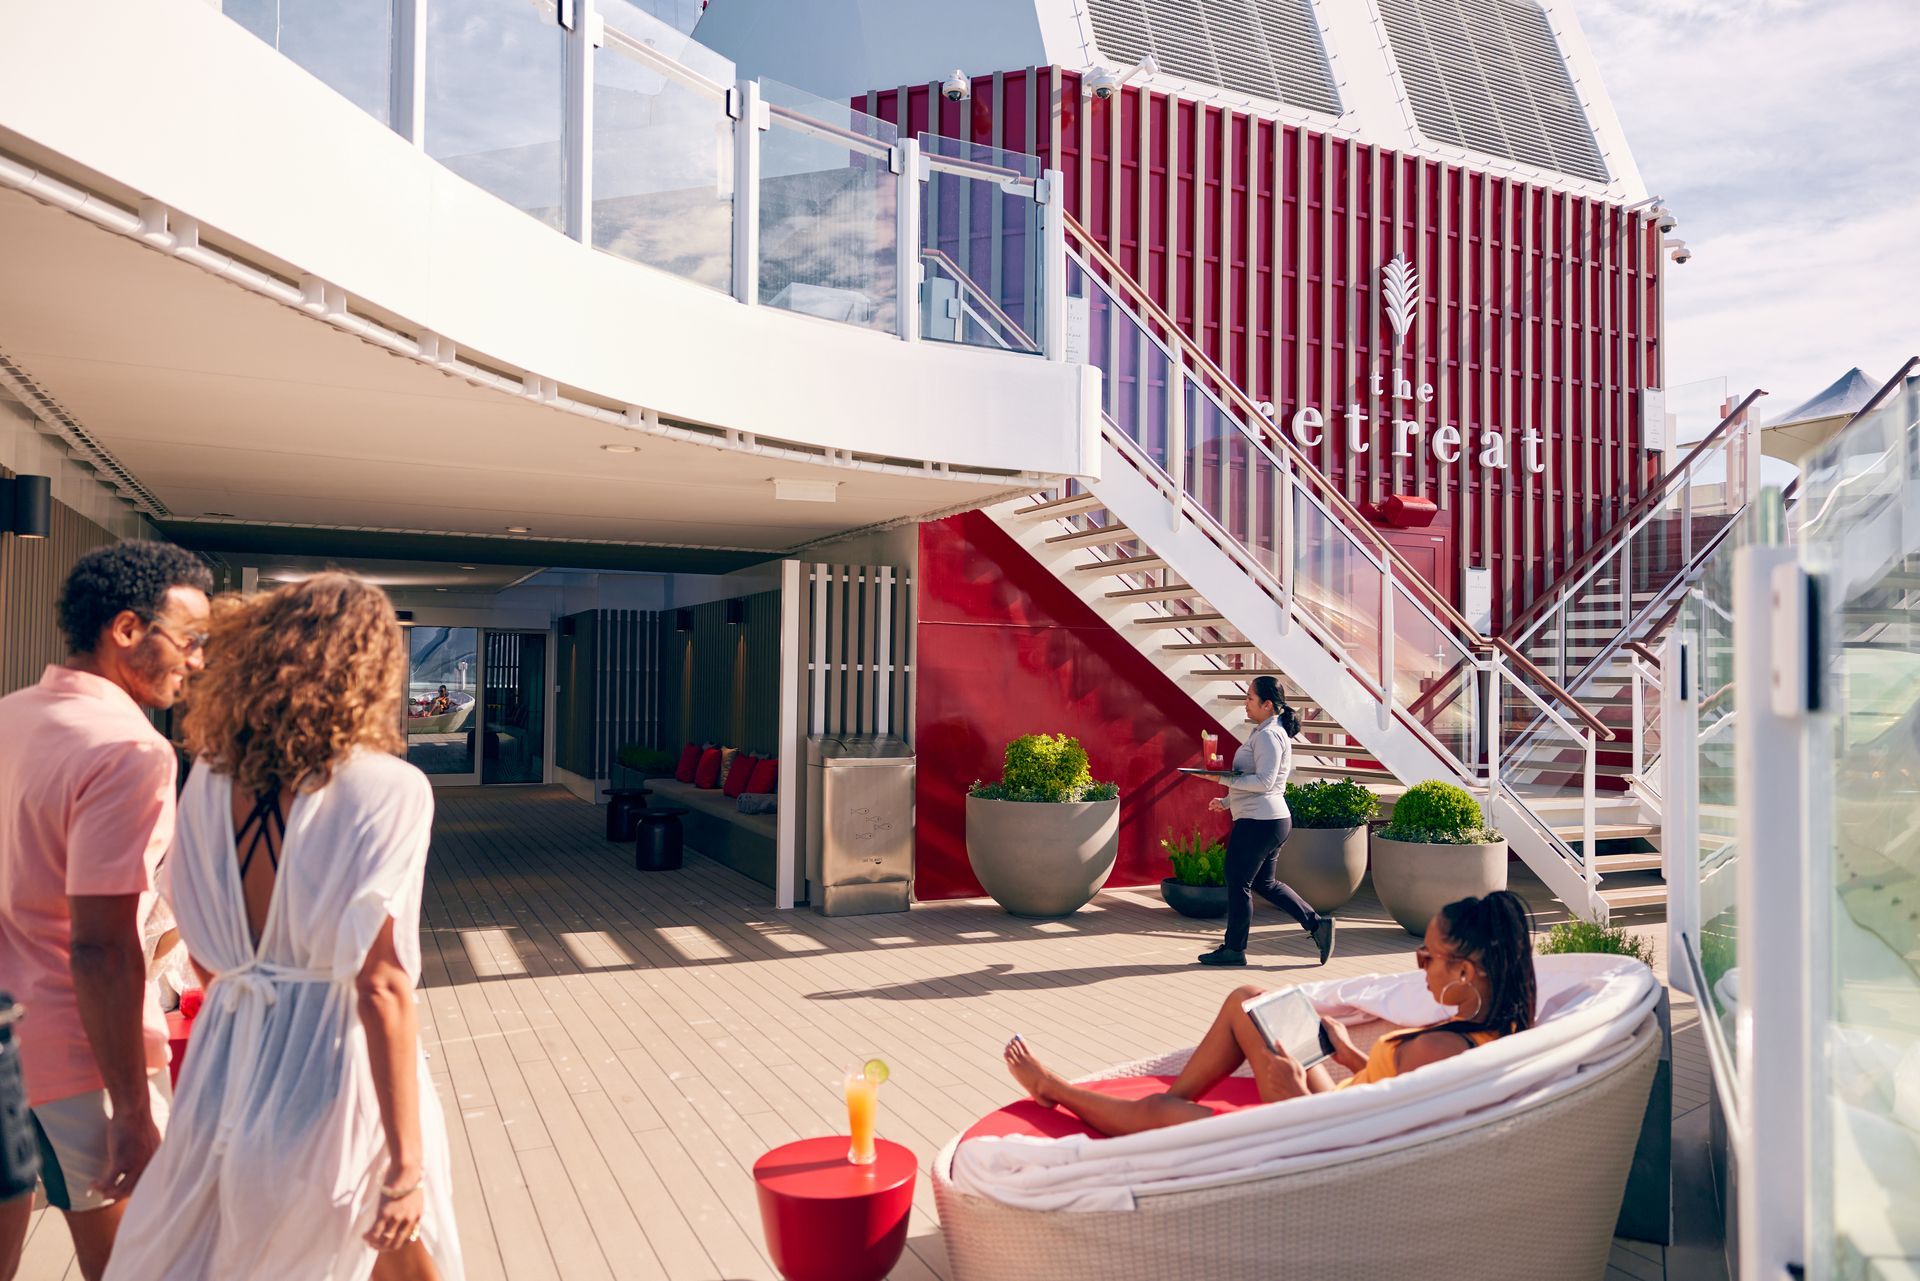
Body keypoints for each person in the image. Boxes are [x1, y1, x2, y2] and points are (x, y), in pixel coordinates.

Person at [102, 573, 462, 1281]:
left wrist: (255, 1000)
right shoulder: (387, 788)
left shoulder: (205, 778)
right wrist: (406, 1163)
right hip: (338, 1072)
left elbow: (203, 951)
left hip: (226, 1070)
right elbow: (382, 985)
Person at [0, 542, 212, 1281]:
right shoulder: (130, 750)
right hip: (75, 1052)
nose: (198, 660)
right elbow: (101, 944)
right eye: (190, 640)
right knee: (137, 1267)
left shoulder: (8, 716)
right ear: (127, 629)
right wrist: (131, 1106)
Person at [1004, 891, 1537, 1136]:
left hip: (1310, 1129)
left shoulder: (1437, 1049)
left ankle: (1057, 1089)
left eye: (1428, 956)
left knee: (1160, 1118)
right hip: (1342, 1102)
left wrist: (1291, 1088)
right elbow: (1387, 1101)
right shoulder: (1494, 1025)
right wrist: (1349, 1056)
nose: (1419, 964)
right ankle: (1177, 1097)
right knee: (1249, 998)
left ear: (1467, 972)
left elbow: (1350, 1147)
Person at [1196, 675, 1334, 968]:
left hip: (1260, 822)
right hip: (1267, 819)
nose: (1245, 703)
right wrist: (1226, 801)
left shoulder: (1269, 735)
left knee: (1238, 881)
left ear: (1267, 704)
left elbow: (1265, 781)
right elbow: (1259, 782)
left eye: (1249, 698)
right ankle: (1317, 925)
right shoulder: (1265, 732)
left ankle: (1234, 949)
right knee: (1265, 883)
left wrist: (1219, 778)